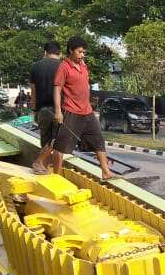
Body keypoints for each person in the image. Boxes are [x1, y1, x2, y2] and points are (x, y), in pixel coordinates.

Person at [52, 36, 114, 180]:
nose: (82, 55)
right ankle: (55, 176)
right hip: (71, 111)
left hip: (87, 111)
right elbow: (57, 89)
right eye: (79, 52)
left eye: (83, 52)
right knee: (61, 146)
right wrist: (58, 111)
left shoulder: (84, 66)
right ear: (70, 51)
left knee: (98, 141)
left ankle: (105, 171)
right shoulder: (64, 67)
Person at [29, 41, 63, 175]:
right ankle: (56, 175)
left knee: (45, 143)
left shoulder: (35, 66)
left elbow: (33, 91)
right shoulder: (63, 66)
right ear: (59, 53)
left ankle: (44, 170)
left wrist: (34, 110)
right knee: (59, 144)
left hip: (42, 110)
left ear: (45, 52)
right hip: (59, 110)